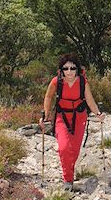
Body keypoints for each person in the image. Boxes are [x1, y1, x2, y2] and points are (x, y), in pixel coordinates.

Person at [41, 53, 105, 191]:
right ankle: (68, 179)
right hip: (61, 118)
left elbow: (89, 100)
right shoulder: (56, 82)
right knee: (64, 148)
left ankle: (69, 172)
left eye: (72, 68)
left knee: (74, 151)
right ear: (61, 70)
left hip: (79, 117)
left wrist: (98, 113)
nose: (69, 71)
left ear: (77, 69)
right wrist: (45, 116)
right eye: (65, 68)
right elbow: (48, 97)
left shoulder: (83, 82)